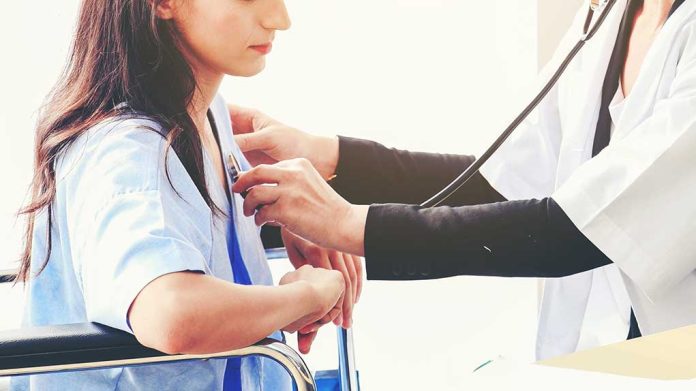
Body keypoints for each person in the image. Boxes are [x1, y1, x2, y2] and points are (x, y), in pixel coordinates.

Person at [230, 0, 696, 360]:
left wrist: (352, 226)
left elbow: (574, 231)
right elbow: (504, 182)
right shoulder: (610, 15)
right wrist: (329, 157)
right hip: (608, 353)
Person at [12, 0, 357, 389]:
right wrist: (306, 297)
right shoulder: (126, 150)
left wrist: (292, 219)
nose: (280, 19)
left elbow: (193, 231)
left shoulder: (208, 116)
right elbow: (172, 312)